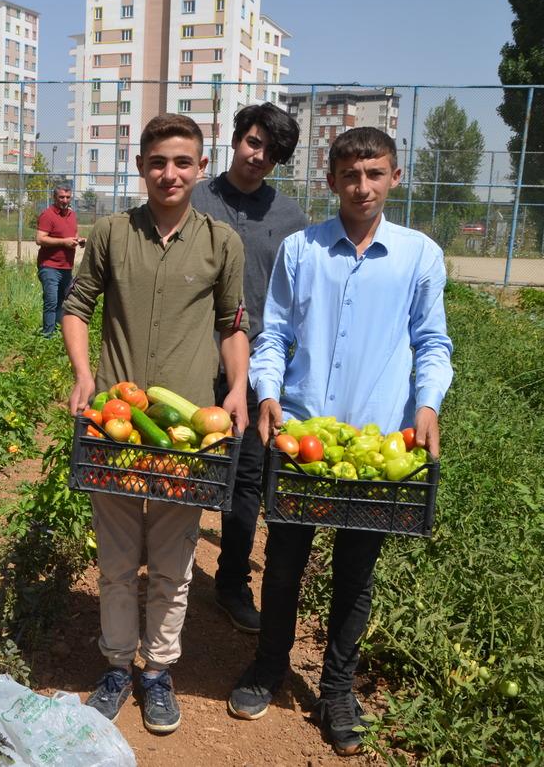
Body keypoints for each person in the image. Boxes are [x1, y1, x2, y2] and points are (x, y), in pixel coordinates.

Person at [227, 127, 453, 756]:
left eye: (375, 174)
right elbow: (271, 335)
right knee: (285, 560)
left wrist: (429, 403)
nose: (363, 187)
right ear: (330, 181)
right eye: (350, 176)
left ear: (395, 177)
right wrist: (267, 393)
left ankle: (337, 688)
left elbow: (432, 343)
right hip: (303, 434)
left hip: (380, 445)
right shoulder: (302, 250)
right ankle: (269, 666)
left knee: (356, 572)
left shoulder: (419, 256)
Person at [62, 114, 250, 733]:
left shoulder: (221, 242)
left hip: (187, 435)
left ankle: (158, 670)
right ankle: (117, 665)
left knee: (172, 560)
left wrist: (240, 390)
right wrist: (84, 373)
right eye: (157, 162)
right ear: (141, 167)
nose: (170, 173)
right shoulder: (112, 233)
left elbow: (232, 326)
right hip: (115, 421)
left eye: (182, 162)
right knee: (117, 560)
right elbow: (77, 304)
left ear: (200, 167)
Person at [190, 102, 309, 634]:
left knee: (245, 479)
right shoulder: (193, 198)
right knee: (182, 465)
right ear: (235, 138)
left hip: (257, 363)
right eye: (254, 143)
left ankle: (232, 581)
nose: (259, 157)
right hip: (189, 358)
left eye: (272, 152)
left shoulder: (290, 220)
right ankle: (167, 574)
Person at [34, 183, 82, 337]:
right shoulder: (48, 215)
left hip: (66, 267)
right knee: (51, 302)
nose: (65, 200)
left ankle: (61, 336)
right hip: (50, 267)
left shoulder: (72, 215)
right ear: (54, 197)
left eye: (68, 197)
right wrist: (64, 242)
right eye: (61, 197)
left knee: (64, 303)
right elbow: (40, 239)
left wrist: (78, 240)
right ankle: (48, 337)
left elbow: (72, 235)